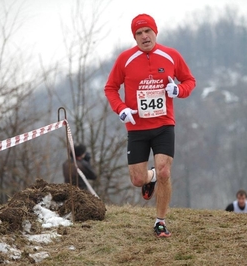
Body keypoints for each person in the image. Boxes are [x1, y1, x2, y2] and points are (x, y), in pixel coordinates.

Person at [104, 14, 196, 237]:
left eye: (148, 31)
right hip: (137, 128)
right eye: (139, 33)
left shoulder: (171, 55)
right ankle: (150, 177)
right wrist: (121, 109)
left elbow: (189, 81)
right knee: (137, 179)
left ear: (156, 32)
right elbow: (110, 88)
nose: (144, 36)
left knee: (165, 171)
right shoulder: (125, 59)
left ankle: (160, 222)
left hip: (164, 124)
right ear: (134, 37)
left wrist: (178, 91)